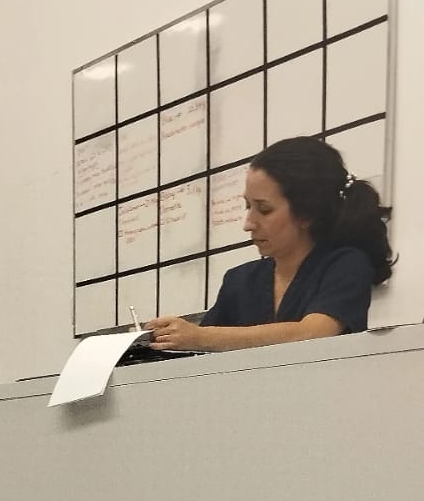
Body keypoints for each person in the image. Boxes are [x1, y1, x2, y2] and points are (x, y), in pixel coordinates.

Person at [148, 135, 394, 352]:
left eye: (264, 209)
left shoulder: (345, 265)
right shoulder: (239, 281)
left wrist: (200, 336)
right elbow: (197, 357)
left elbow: (314, 332)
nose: (248, 223)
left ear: (306, 213)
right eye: (248, 206)